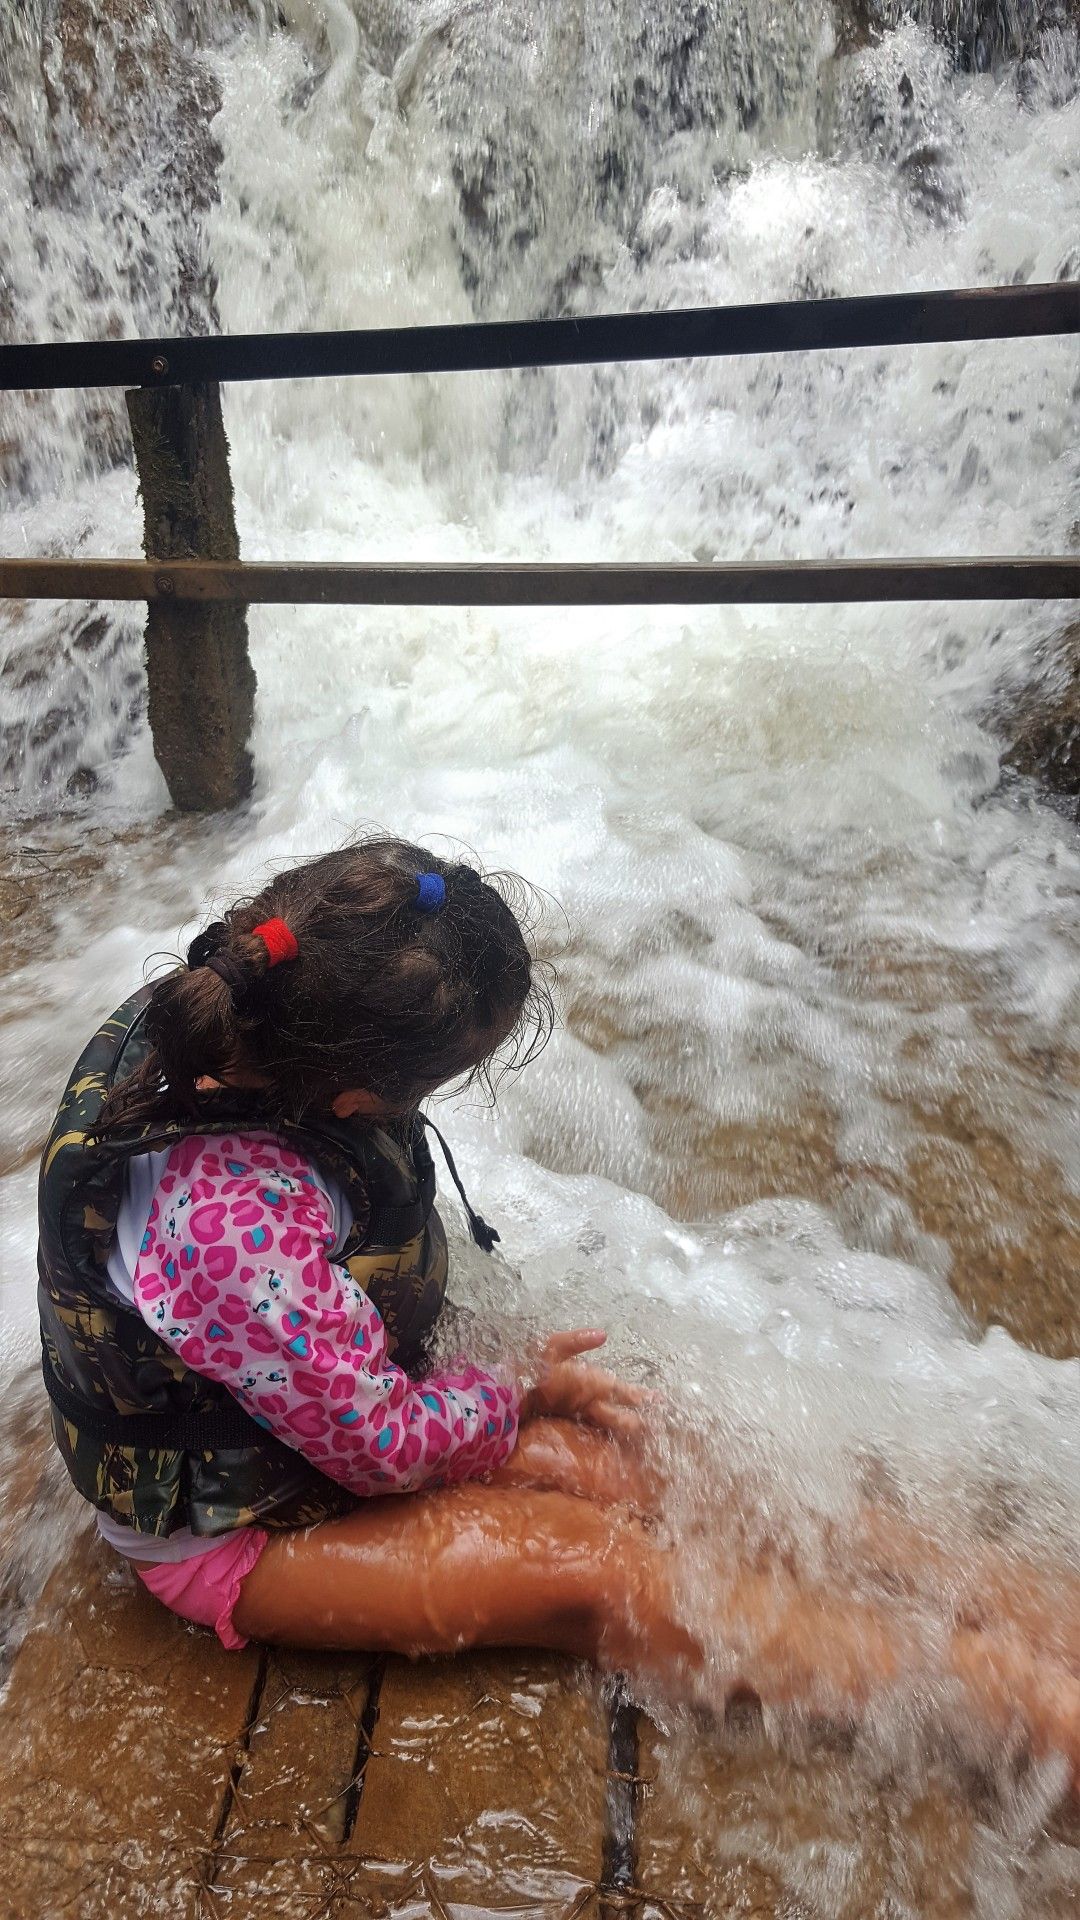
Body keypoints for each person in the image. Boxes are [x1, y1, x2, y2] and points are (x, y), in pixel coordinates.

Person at [37, 838, 1080, 1791]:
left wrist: (513, 1405)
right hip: (227, 1536)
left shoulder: (231, 1006)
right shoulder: (231, 1229)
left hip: (293, 1404)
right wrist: (516, 1393)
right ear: (358, 1101)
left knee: (634, 1462)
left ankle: (1012, 1607)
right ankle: (995, 1694)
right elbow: (385, 1450)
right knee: (597, 1572)